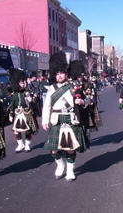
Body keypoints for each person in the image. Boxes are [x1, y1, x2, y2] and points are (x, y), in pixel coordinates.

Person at [42, 52, 89, 182]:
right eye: (57, 73)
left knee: (70, 148)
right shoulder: (51, 88)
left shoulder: (74, 87)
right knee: (53, 149)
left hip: (70, 118)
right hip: (56, 119)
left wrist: (82, 102)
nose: (59, 75)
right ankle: (60, 165)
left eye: (61, 73)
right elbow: (47, 106)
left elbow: (87, 100)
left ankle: (70, 170)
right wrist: (45, 120)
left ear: (66, 74)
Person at [8, 69, 39, 153]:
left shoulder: (27, 91)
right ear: (17, 83)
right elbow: (12, 105)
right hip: (17, 113)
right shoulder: (14, 94)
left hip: (27, 112)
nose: (24, 84)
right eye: (22, 83)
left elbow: (34, 101)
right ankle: (20, 144)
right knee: (16, 130)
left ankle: (27, 145)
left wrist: (31, 99)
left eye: (24, 82)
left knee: (27, 130)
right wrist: (11, 115)